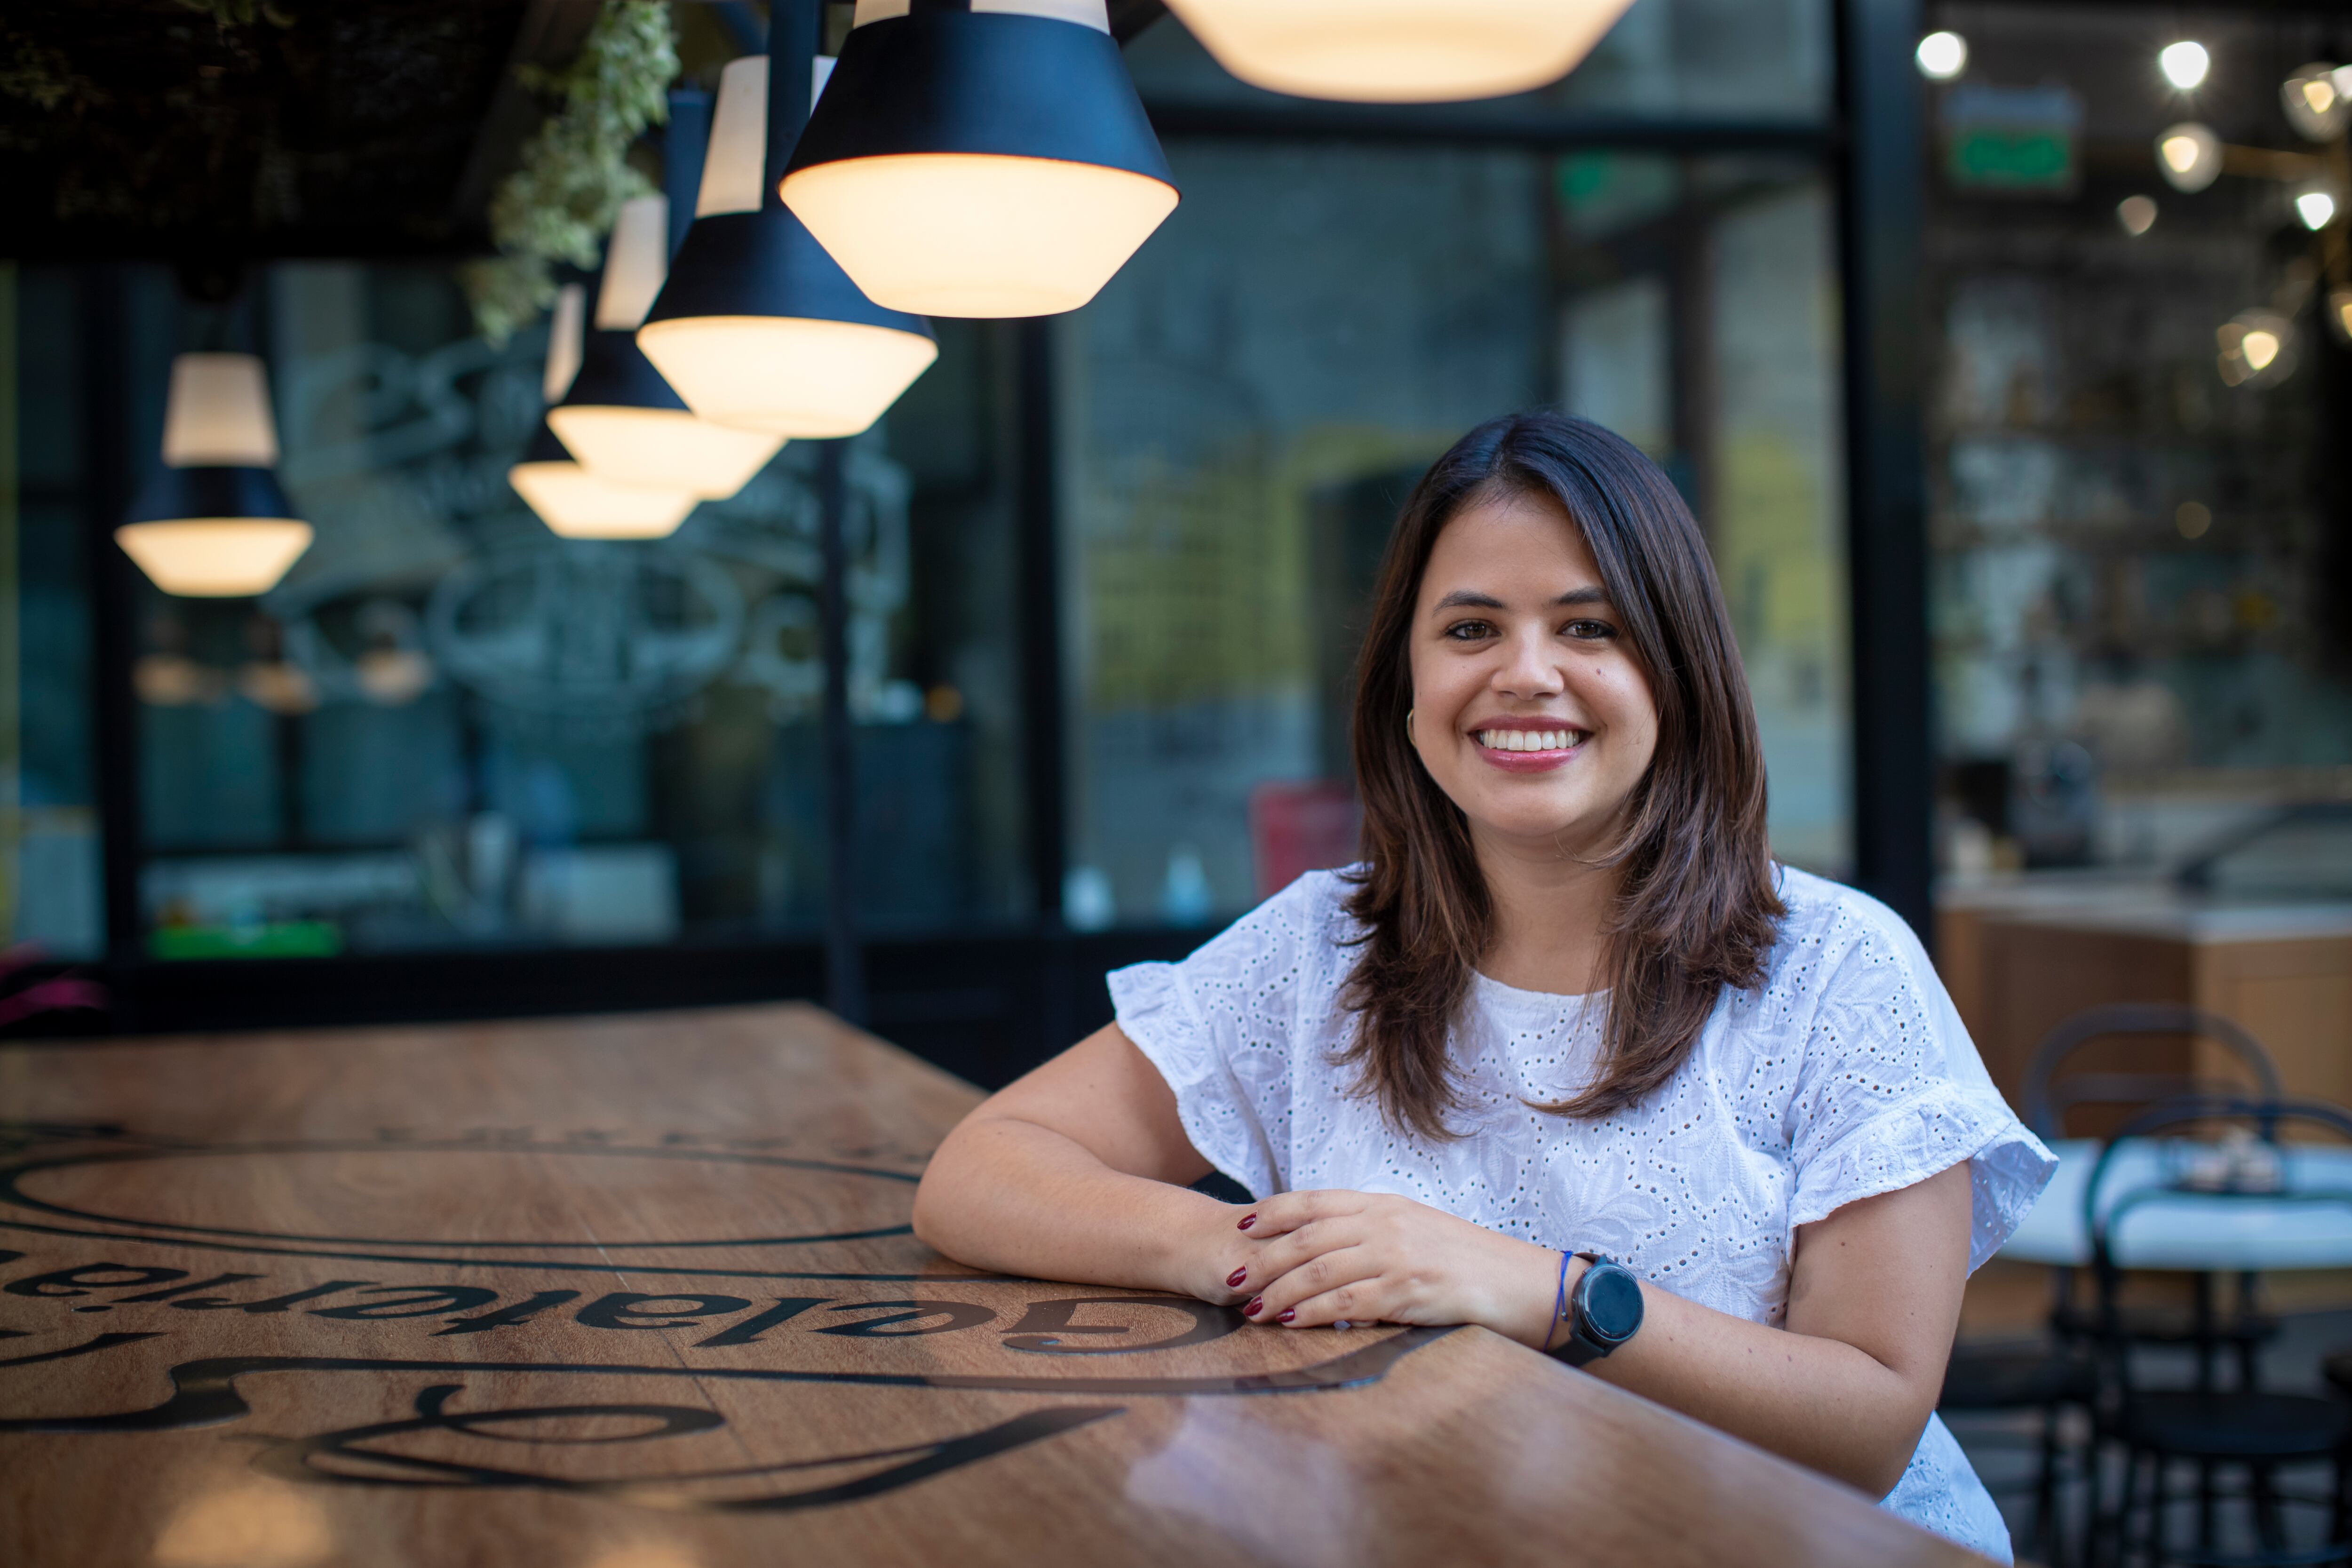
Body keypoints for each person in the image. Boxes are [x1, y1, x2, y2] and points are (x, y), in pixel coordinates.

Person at [914, 412, 2052, 1560]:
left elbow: (1866, 1427)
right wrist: (1255, 1253)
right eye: (1470, 627)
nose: (1524, 674)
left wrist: (1538, 1289)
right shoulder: (1325, 944)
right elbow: (983, 1168)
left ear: (1678, 672)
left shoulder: (1836, 965)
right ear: (1407, 684)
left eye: (1587, 626)